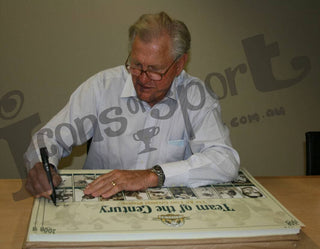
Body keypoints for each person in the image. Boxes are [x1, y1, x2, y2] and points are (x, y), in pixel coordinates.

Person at [24, 12, 240, 200]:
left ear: (179, 65)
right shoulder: (102, 87)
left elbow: (224, 161)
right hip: (99, 206)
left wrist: (152, 175)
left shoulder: (196, 96)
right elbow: (47, 139)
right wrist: (44, 167)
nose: (142, 78)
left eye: (155, 70)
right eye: (136, 65)